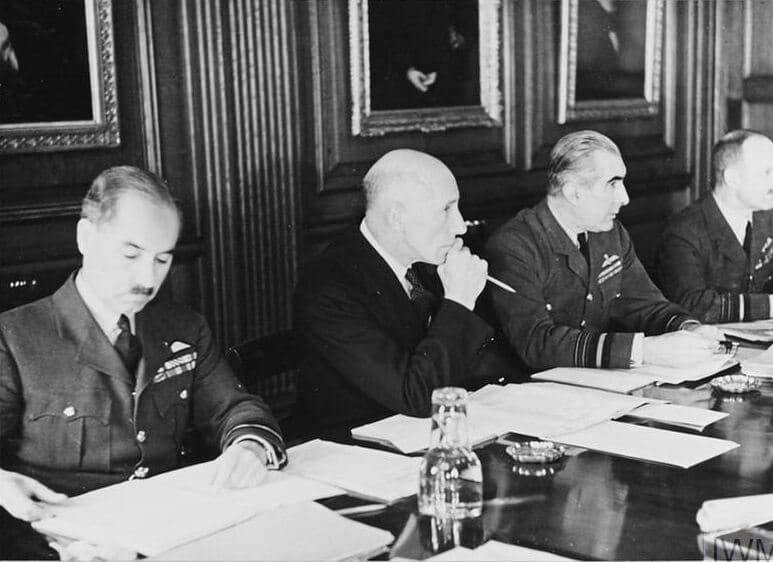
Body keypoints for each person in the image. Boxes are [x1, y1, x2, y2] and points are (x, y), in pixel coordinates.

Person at [0, 166, 286, 524]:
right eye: (131, 255)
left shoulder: (184, 327)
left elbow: (234, 408)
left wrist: (250, 447)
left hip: (170, 521)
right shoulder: (13, 337)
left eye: (162, 259)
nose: (147, 279)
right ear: (86, 237)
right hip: (62, 530)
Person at [294, 149, 514, 429]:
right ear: (397, 218)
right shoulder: (330, 288)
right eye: (446, 210)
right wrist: (459, 300)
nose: (460, 226)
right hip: (353, 442)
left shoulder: (423, 261)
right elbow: (418, 397)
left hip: (419, 430)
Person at [485, 130, 720, 372]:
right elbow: (537, 343)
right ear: (573, 193)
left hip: (591, 381)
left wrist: (688, 328)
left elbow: (646, 305)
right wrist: (643, 351)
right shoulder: (515, 246)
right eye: (612, 184)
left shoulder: (609, 233)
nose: (624, 198)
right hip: (528, 385)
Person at [657, 129, 773, 323]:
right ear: (732, 178)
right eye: (767, 172)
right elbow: (694, 304)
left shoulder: (766, 216)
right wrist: (769, 305)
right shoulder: (683, 232)